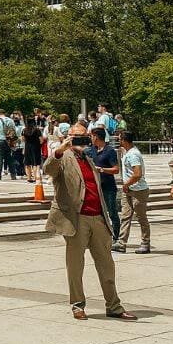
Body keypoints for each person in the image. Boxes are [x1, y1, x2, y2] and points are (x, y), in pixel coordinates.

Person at [44, 129, 136, 321]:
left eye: (84, 135)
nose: (82, 138)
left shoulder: (89, 157)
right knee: (76, 266)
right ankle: (77, 305)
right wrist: (60, 150)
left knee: (107, 265)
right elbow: (48, 169)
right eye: (76, 135)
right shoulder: (64, 157)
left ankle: (114, 306)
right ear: (68, 136)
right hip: (77, 219)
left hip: (98, 217)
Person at [117, 129, 151, 254]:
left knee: (141, 217)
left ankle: (145, 242)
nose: (118, 141)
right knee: (125, 216)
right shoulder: (127, 152)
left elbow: (137, 174)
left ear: (125, 140)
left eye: (120, 139)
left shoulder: (134, 154)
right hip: (129, 189)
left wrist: (127, 184)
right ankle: (121, 242)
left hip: (138, 190)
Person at [87, 126, 121, 245]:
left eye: (91, 136)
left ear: (96, 137)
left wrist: (101, 170)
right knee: (97, 214)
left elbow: (116, 169)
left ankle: (117, 237)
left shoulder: (109, 151)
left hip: (108, 187)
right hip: (95, 186)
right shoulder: (92, 150)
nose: (90, 138)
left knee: (112, 212)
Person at [23, 115, 44, 183]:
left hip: (27, 147)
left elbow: (23, 139)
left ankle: (29, 177)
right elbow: (41, 140)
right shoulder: (37, 130)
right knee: (35, 163)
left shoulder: (24, 130)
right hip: (35, 147)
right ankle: (35, 177)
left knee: (27, 163)